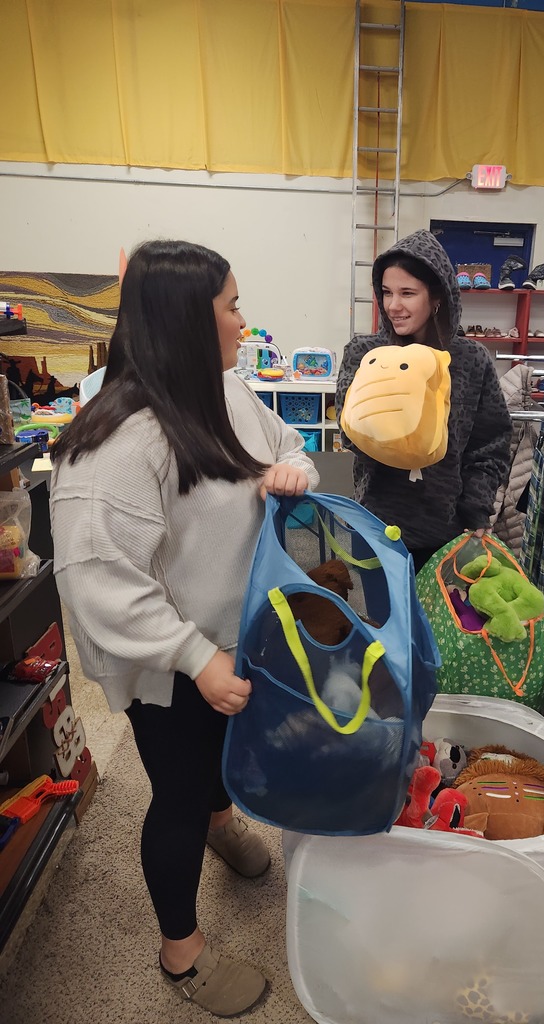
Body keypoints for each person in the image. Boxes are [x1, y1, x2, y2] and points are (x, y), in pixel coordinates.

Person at [49, 239, 319, 1017]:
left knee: (218, 759)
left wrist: (292, 471)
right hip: (167, 665)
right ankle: (182, 953)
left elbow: (286, 445)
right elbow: (99, 584)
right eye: (232, 307)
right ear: (186, 323)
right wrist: (195, 657)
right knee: (177, 790)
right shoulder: (115, 446)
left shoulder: (225, 389)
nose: (243, 322)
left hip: (228, 636)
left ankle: (220, 822)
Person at [336, 229, 512, 572]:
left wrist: (476, 509)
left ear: (437, 297)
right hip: (377, 524)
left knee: (440, 609)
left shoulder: (470, 360)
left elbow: (490, 445)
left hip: (447, 531)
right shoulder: (364, 353)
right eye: (386, 292)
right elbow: (350, 434)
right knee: (382, 607)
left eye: (407, 293)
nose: (393, 306)